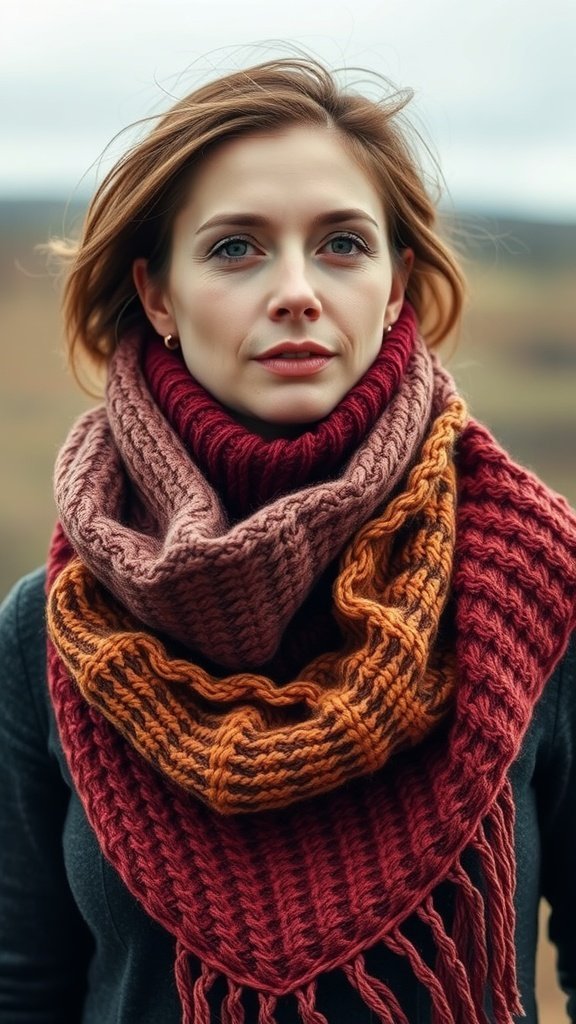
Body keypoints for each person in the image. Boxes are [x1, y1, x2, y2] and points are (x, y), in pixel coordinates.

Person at [0, 56, 575, 1024]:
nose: (298, 291)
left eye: (343, 244)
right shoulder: (50, 628)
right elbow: (21, 985)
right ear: (157, 295)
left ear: (395, 286)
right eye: (235, 248)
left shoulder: (536, 585)